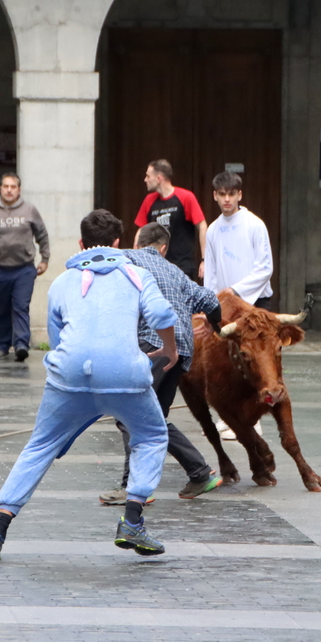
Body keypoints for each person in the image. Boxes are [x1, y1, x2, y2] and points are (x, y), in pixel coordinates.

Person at [0, 210, 179, 562]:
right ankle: (132, 520)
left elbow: (57, 339)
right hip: (125, 376)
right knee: (151, 436)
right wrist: (170, 349)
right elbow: (161, 314)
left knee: (40, 446)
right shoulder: (137, 274)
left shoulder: (62, 282)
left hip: (69, 376)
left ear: (81, 243)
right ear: (118, 243)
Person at [98, 223, 224, 505]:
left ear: (137, 242)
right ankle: (199, 473)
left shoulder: (129, 257)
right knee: (153, 420)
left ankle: (133, 488)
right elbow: (209, 299)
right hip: (181, 351)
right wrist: (215, 325)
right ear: (164, 248)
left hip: (152, 345)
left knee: (129, 413)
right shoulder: (176, 272)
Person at [203, 170, 274, 439]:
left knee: (254, 362)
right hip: (226, 306)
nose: (227, 200)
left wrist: (236, 291)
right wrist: (210, 304)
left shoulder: (255, 225)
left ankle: (253, 420)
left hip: (254, 301)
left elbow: (265, 268)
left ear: (240, 195)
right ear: (215, 196)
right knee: (228, 363)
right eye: (222, 194)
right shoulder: (213, 230)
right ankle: (229, 417)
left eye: (231, 194)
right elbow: (211, 273)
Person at [0, 172, 50, 362]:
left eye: (13, 187)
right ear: (0, 188)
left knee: (20, 307)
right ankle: (2, 346)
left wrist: (44, 259)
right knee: (0, 309)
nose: (9, 190)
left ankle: (21, 345)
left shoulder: (30, 210)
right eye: (6, 186)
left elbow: (42, 234)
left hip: (23, 269)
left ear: (19, 190)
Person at [134, 159, 207, 280]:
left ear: (159, 178)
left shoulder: (185, 197)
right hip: (156, 268)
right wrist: (136, 257)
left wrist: (204, 260)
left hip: (182, 267)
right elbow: (141, 230)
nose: (145, 180)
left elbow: (202, 226)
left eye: (148, 176)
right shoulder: (149, 200)